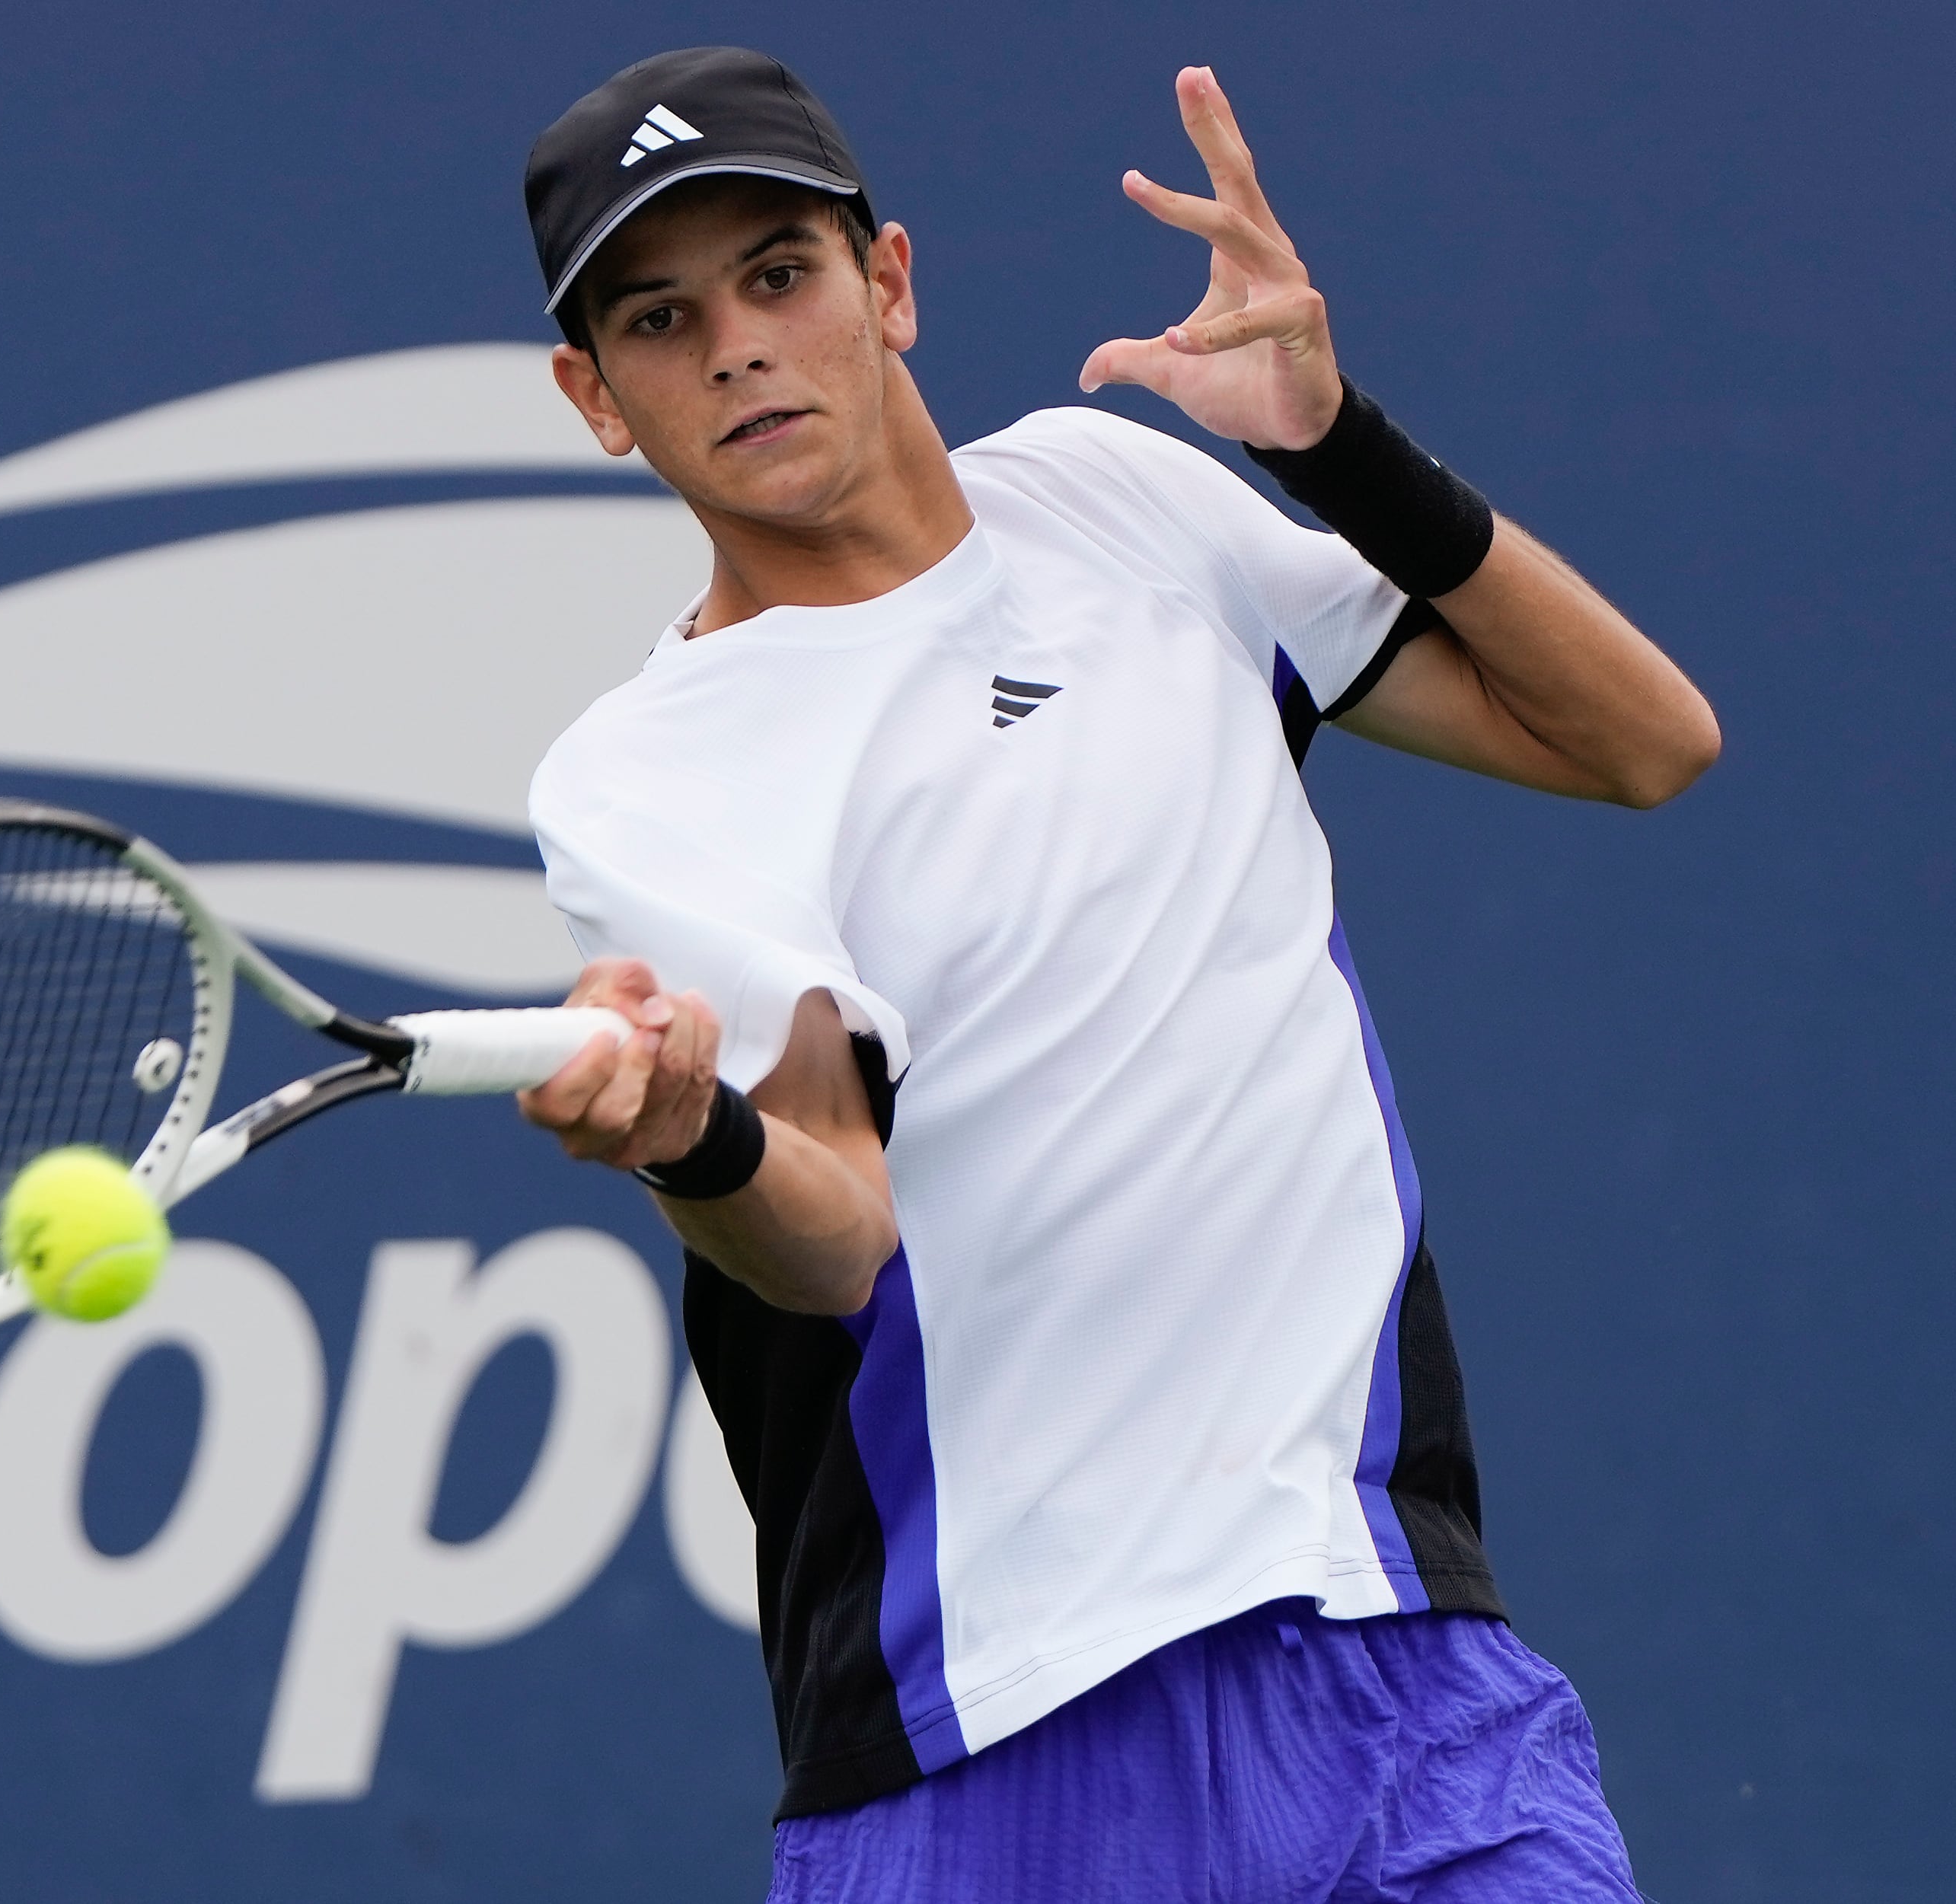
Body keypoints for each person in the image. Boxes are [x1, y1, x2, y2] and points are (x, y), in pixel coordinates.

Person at [513, 46, 1718, 1902]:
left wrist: (1334, 445)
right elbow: (833, 1229)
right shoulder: (646, 774)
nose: (740, 346)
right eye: (662, 321)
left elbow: (1641, 739)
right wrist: (695, 1141)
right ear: (598, 399)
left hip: (1394, 1668)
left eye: (781, 275)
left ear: (889, 283)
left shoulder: (1116, 498)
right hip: (993, 1746)